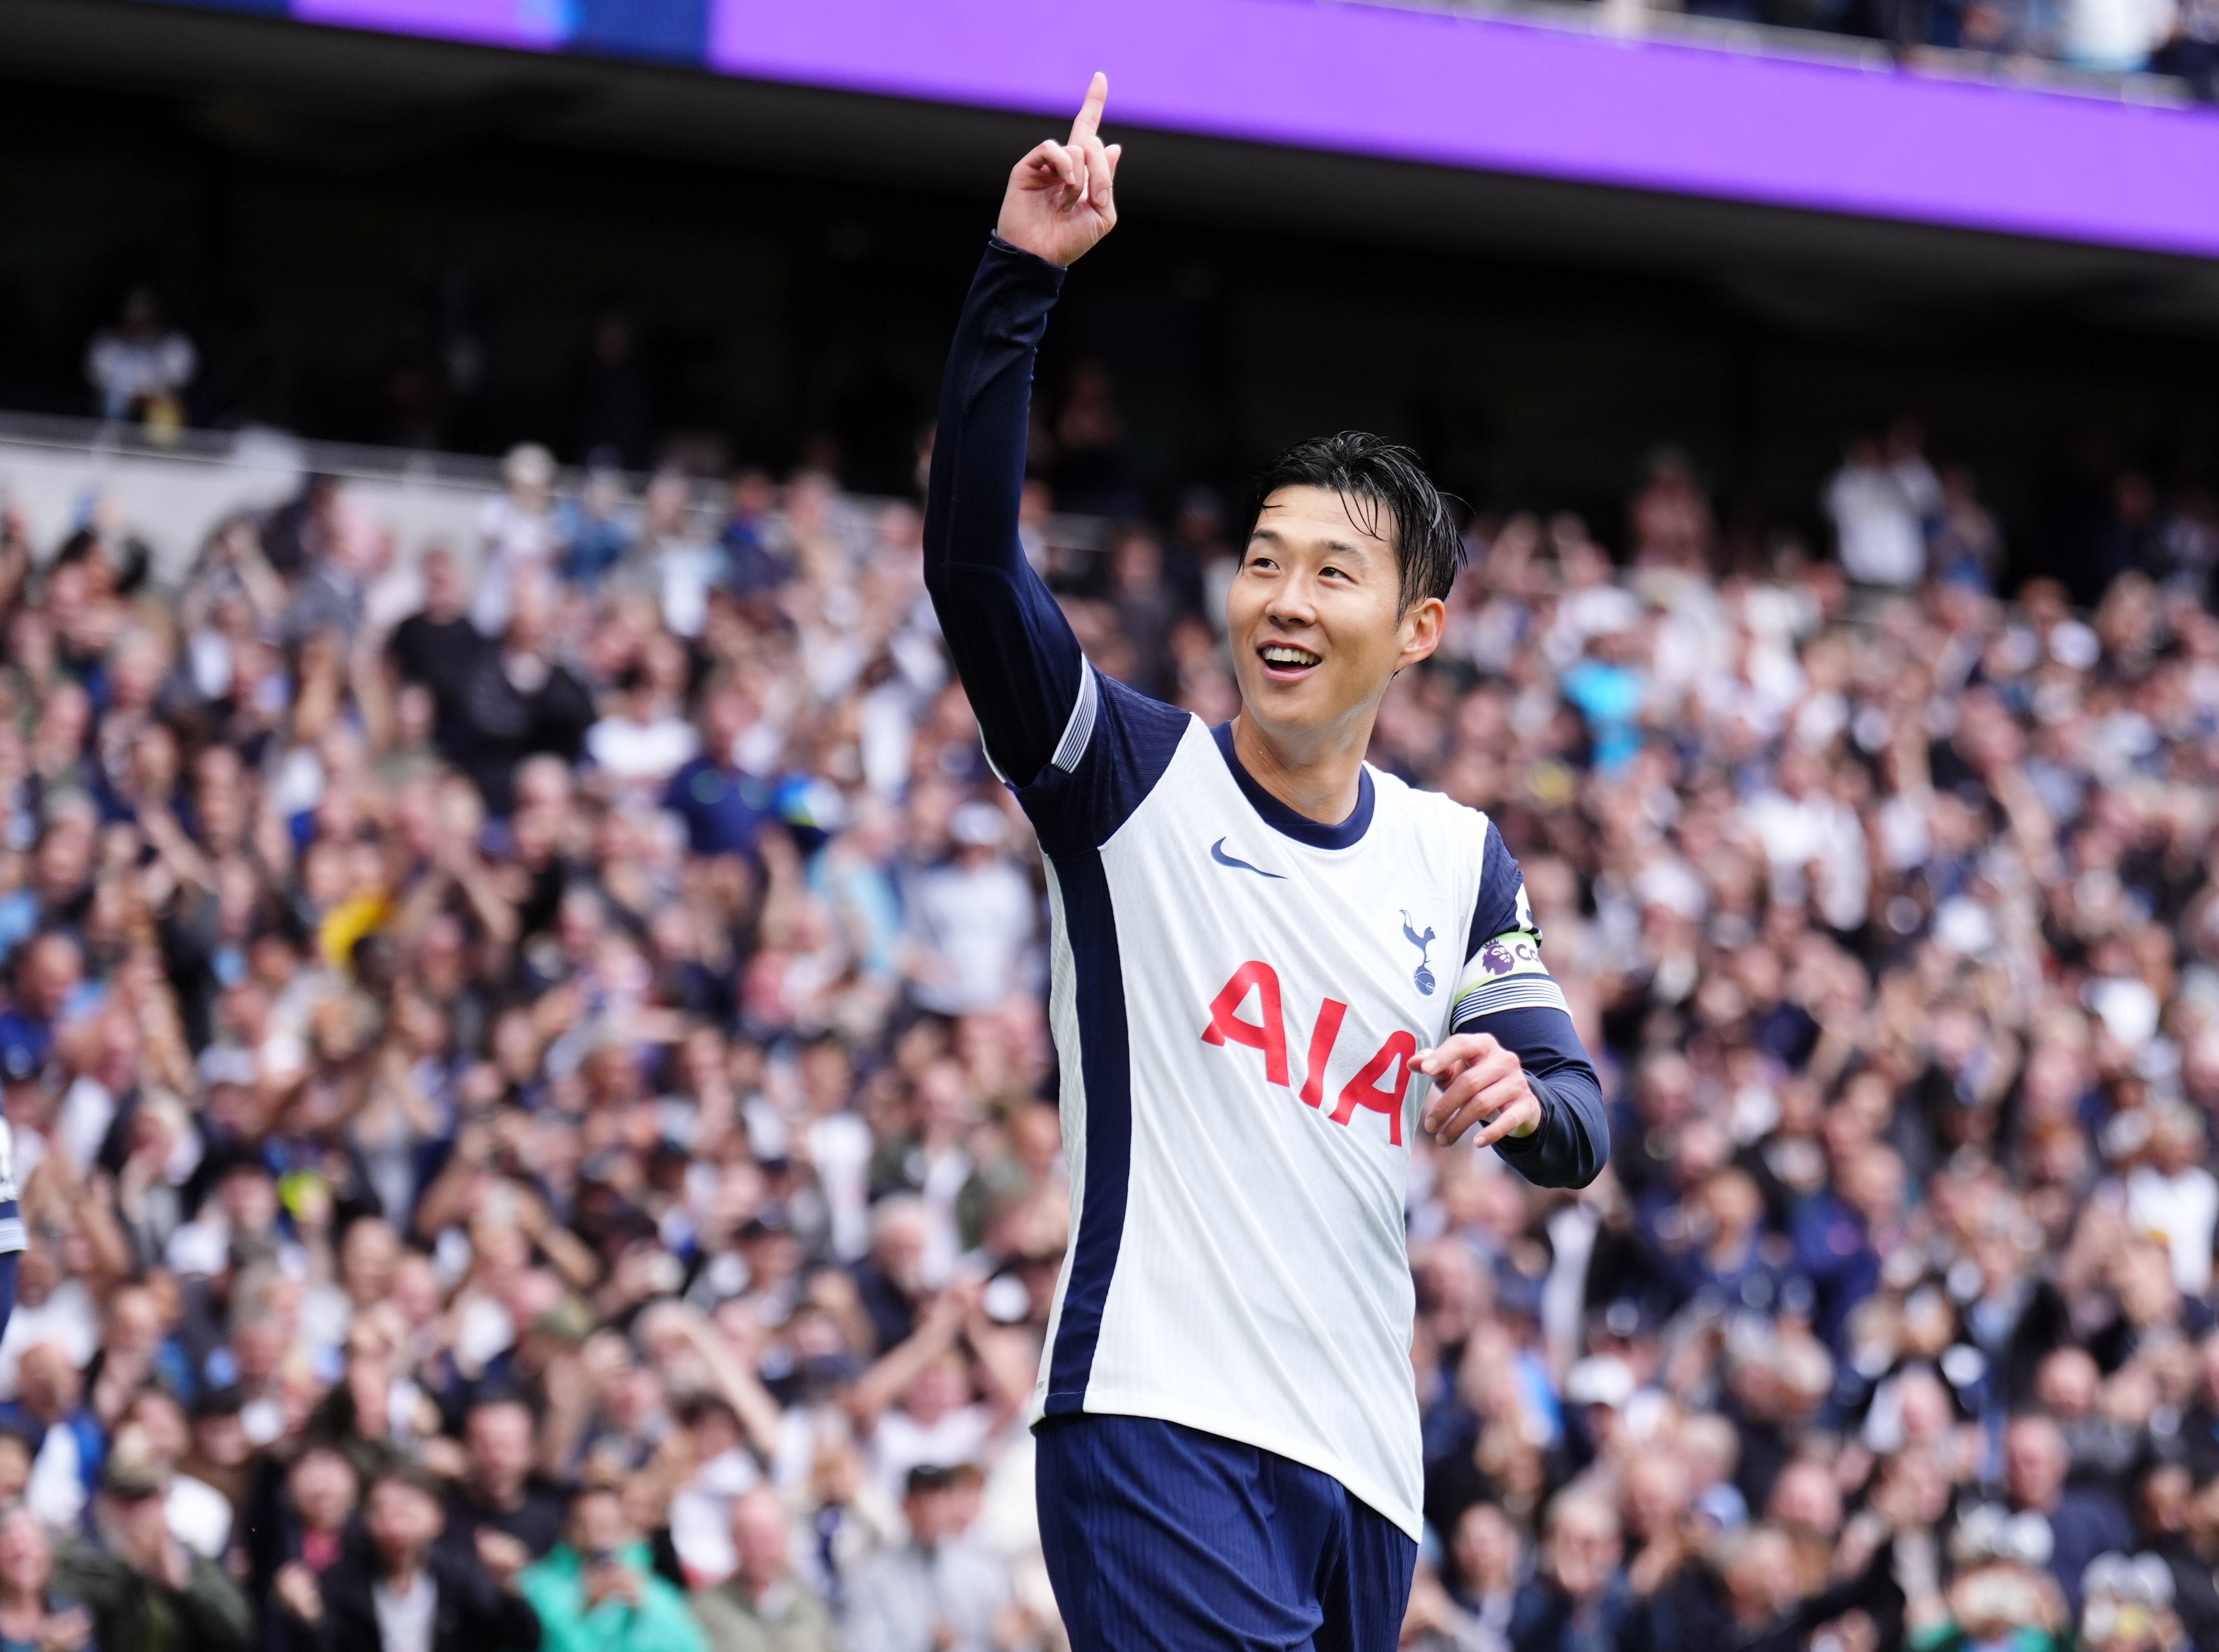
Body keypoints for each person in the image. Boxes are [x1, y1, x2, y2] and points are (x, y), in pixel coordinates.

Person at [922, 74, 1606, 1652]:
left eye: (1333, 571)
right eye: (1263, 560)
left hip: (1362, 1470)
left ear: (1416, 629)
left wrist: (1520, 1100)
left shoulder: (1455, 855)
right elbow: (970, 562)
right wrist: (1020, 276)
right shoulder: (1122, 774)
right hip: (1154, 1414)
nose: (1283, 598)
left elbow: (1576, 1120)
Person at [273, 1464, 542, 1652]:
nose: (394, 1524)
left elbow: (524, 1638)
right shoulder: (340, 1584)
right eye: (382, 1510)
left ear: (437, 1518)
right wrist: (309, 1620)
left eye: (407, 1509)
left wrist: (509, 1589)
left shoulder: (462, 1577)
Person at [53, 1453, 253, 1652]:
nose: (134, 1512)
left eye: (144, 1499)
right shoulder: (79, 1554)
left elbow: (240, 1632)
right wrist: (130, 1564)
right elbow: (75, 1606)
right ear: (103, 1503)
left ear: (163, 1503)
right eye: (123, 1499)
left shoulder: (189, 1559)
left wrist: (183, 1586)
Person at [839, 1466, 1012, 1652]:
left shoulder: (984, 1570)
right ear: (905, 1506)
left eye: (938, 1499)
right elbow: (866, 1645)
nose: (930, 1511)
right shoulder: (871, 1579)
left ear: (952, 1504)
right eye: (921, 1501)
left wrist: (1012, 1640)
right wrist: (928, 1646)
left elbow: (1012, 1638)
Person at [517, 1486, 702, 1652]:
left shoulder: (652, 1589)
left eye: (609, 1524)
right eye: (588, 1524)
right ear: (569, 1530)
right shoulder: (539, 1586)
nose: (599, 1534)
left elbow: (691, 1645)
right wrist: (586, 1613)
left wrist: (646, 1610)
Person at [689, 1489, 835, 1652]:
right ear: (732, 1539)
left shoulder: (809, 1608)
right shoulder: (706, 1609)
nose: (757, 1550)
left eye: (765, 1538)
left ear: (783, 1538)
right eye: (747, 1537)